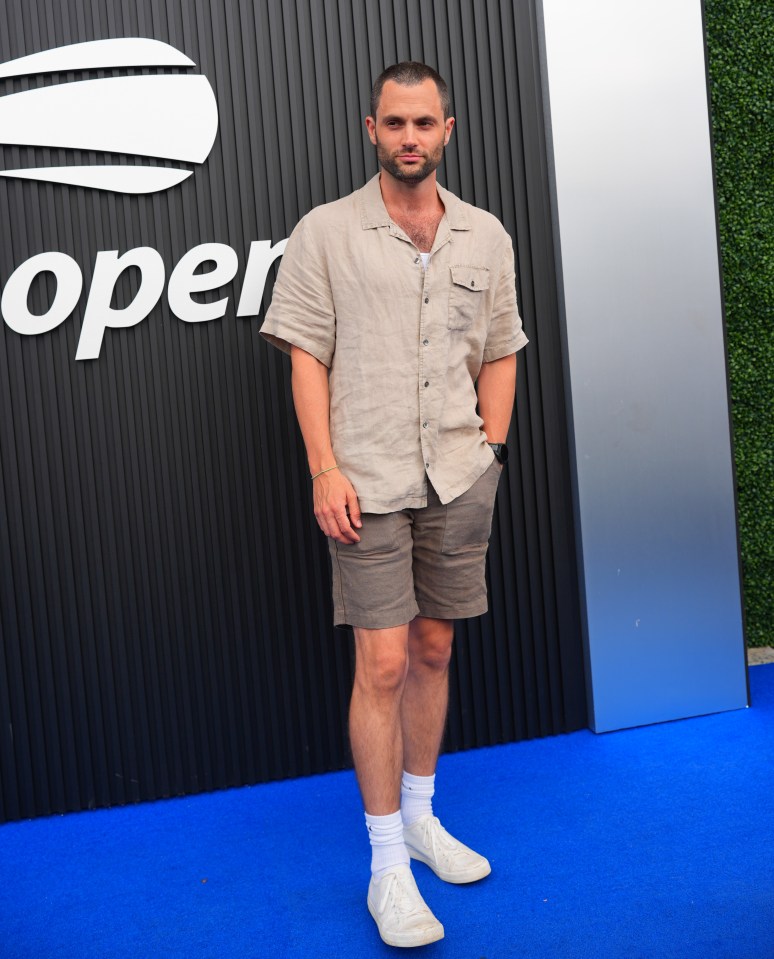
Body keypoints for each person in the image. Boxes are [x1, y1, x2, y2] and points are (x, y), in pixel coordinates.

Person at [260, 61, 528, 948]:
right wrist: (323, 468)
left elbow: (501, 346)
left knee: (435, 645)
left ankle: (421, 816)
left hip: (457, 475)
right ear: (371, 130)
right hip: (366, 481)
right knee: (379, 665)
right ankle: (385, 865)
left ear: (447, 129)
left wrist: (489, 448)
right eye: (394, 124)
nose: (410, 137)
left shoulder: (486, 236)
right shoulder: (325, 233)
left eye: (424, 123)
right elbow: (305, 354)